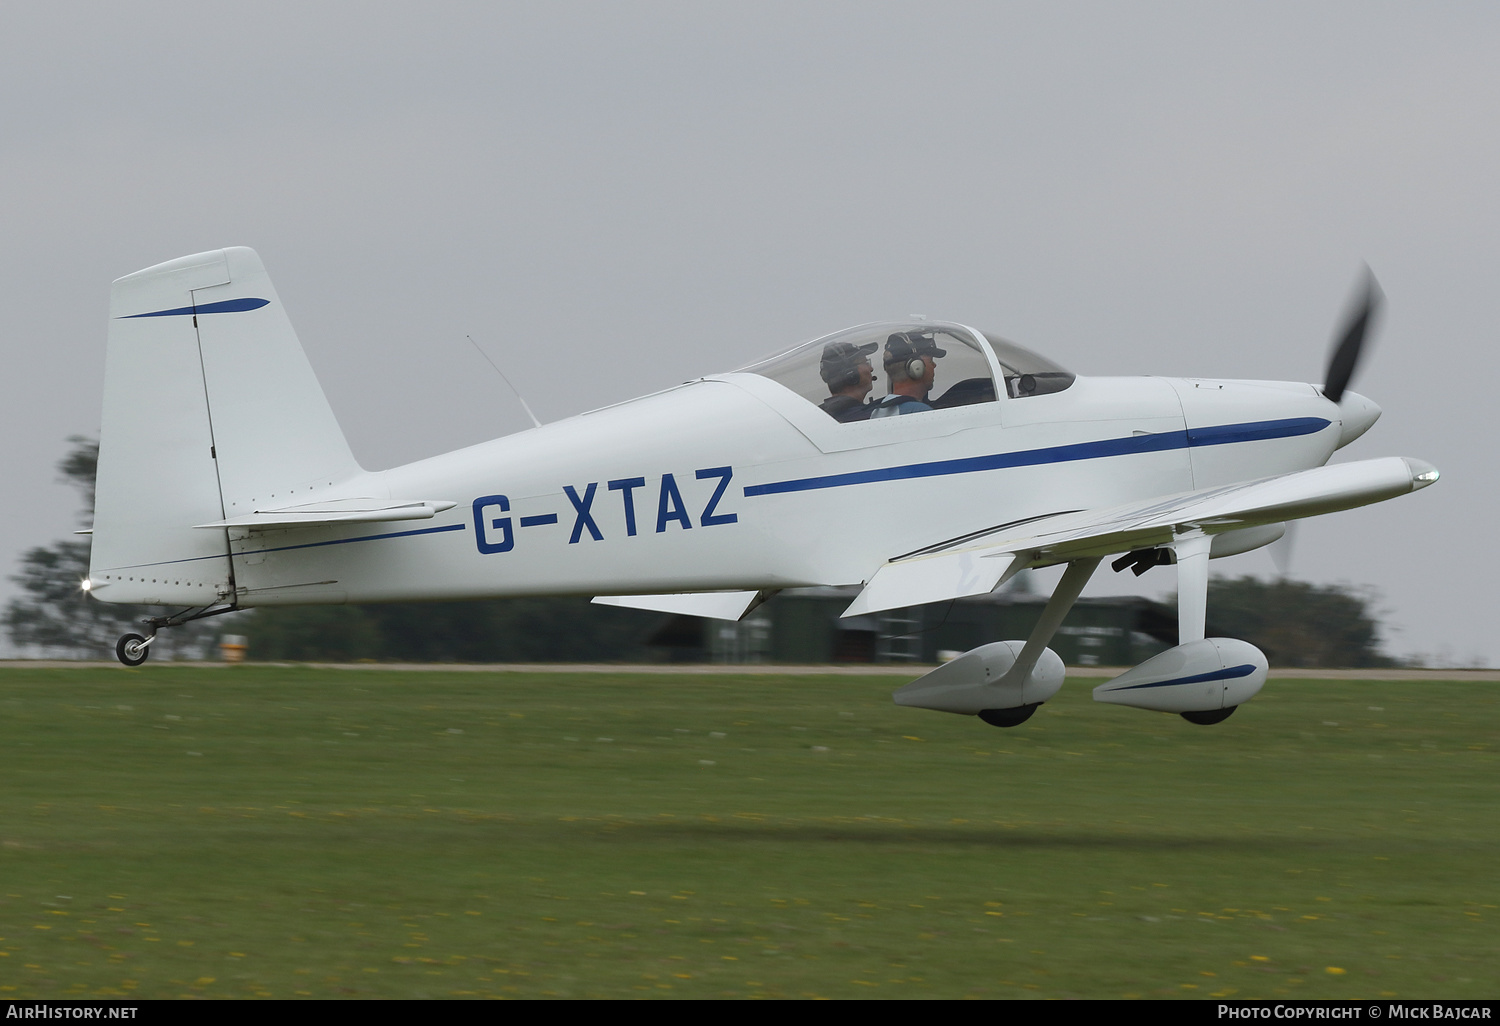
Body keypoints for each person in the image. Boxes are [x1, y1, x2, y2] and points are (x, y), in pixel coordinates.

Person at [868, 332, 946, 418]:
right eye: (931, 360)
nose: (934, 365)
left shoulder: (877, 412)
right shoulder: (919, 412)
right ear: (916, 367)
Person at [816, 340, 878, 422]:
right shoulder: (867, 418)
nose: (871, 369)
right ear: (851, 374)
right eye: (865, 363)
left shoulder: (819, 416)